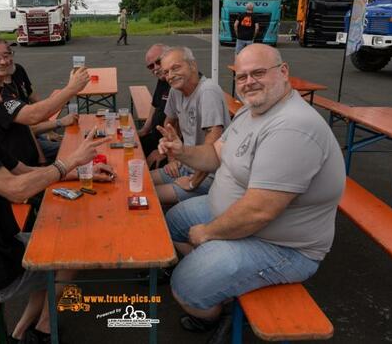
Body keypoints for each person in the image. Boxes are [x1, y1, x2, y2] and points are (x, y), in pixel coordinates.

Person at [0, 55, 114, 344]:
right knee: (78, 253)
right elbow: (17, 189)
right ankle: (42, 330)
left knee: (60, 244)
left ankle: (21, 333)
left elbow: (25, 171)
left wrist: (77, 171)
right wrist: (70, 161)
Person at [159, 44, 345, 334]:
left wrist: (207, 234)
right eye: (242, 76)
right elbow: (215, 155)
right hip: (235, 215)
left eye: (258, 72)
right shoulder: (251, 111)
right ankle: (220, 279)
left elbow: (259, 211)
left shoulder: (292, 127)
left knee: (185, 286)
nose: (248, 82)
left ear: (284, 72)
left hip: (280, 246)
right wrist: (181, 150)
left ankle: (213, 314)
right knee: (174, 221)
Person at [0, 37, 88, 164]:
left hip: (25, 156)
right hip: (13, 165)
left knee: (80, 145)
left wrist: (41, 158)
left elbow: (26, 126)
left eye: (7, 55)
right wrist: (71, 89)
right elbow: (32, 116)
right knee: (76, 149)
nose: (3, 61)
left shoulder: (8, 80)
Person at [151, 46, 230, 207]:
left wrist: (193, 182)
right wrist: (172, 158)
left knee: (148, 197)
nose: (170, 76)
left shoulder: (208, 92)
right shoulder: (175, 91)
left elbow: (212, 148)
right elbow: (168, 124)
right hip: (186, 164)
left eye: (176, 68)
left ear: (193, 65)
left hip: (210, 175)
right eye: (166, 72)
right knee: (143, 182)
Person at [137, 43, 170, 168]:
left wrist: (164, 151)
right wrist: (145, 129)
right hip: (156, 136)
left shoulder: (177, 83)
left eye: (158, 62)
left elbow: (178, 124)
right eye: (151, 66)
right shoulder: (162, 80)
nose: (155, 68)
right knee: (128, 144)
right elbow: (155, 105)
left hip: (169, 145)